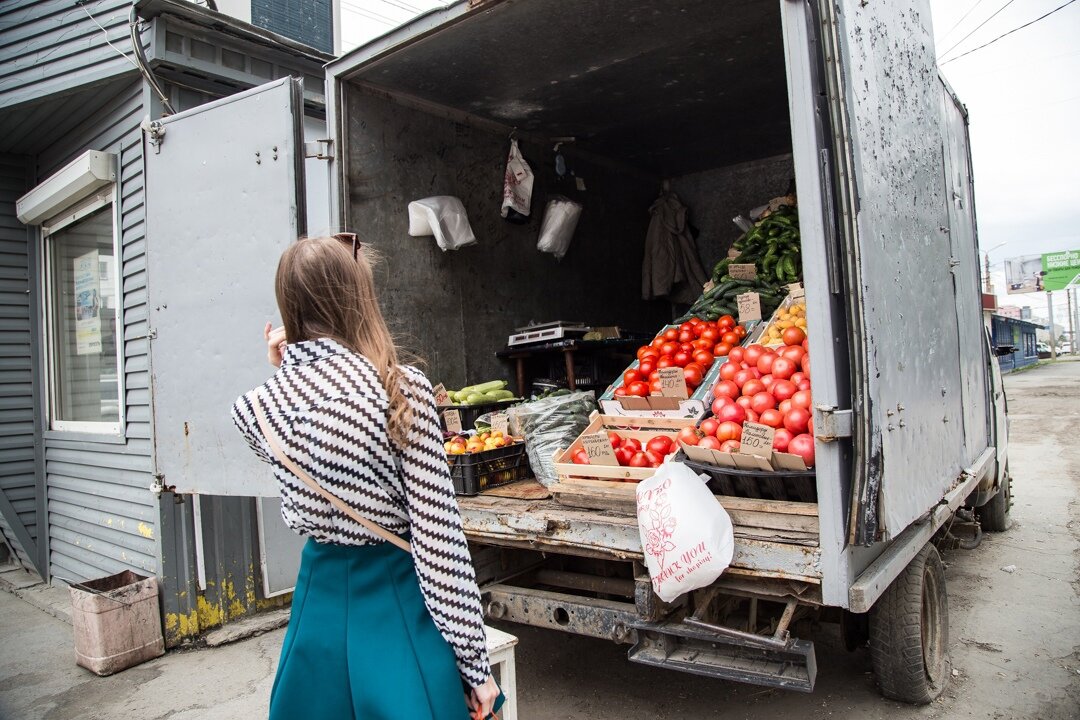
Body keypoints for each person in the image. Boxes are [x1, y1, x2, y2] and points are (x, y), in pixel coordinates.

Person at [231, 235, 500, 719]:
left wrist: (284, 366)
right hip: (395, 601)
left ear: (288, 307)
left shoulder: (256, 409)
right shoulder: (402, 389)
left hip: (317, 607)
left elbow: (309, 420)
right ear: (357, 298)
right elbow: (439, 542)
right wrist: (475, 668)